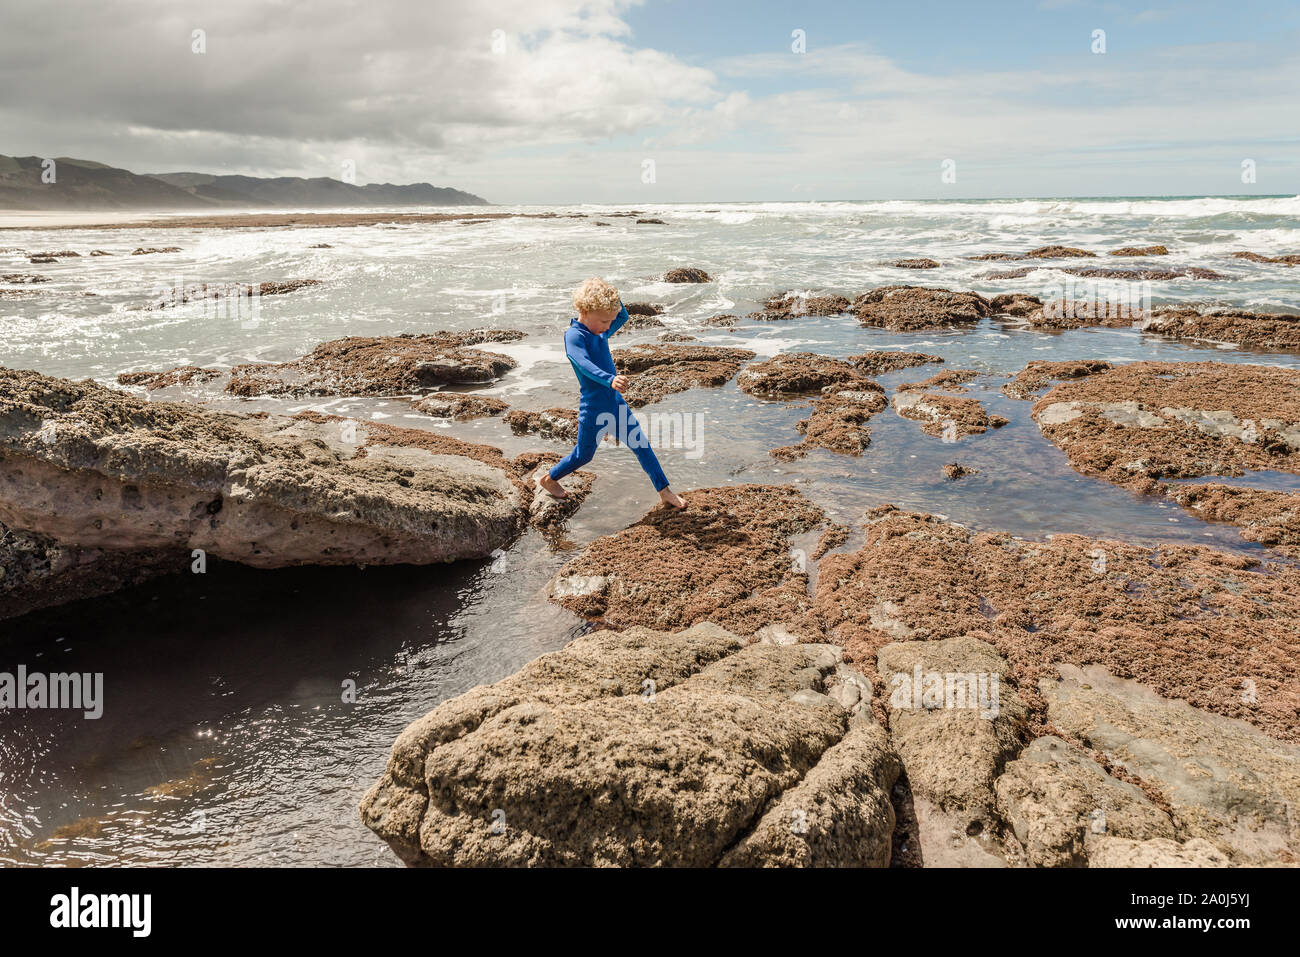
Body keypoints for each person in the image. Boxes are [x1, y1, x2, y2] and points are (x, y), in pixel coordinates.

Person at [539, 277, 687, 508]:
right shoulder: (575, 336)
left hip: (615, 404)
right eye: (605, 321)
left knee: (642, 446)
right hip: (594, 407)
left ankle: (665, 491)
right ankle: (549, 478)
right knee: (583, 456)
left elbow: (623, 316)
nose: (609, 326)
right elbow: (582, 363)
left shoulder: (599, 331)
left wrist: (609, 291)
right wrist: (610, 379)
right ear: (586, 311)